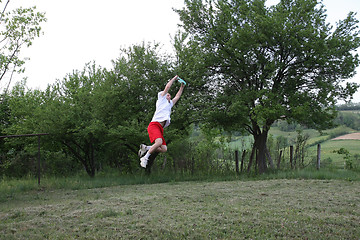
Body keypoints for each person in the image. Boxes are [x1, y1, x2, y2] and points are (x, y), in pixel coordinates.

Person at [138, 75, 186, 168]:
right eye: (167, 94)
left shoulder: (170, 104)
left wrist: (182, 87)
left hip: (160, 128)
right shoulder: (161, 99)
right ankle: (145, 158)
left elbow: (178, 96)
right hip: (154, 125)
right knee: (159, 143)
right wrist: (174, 78)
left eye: (169, 95)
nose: (168, 94)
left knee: (164, 149)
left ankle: (146, 148)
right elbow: (167, 87)